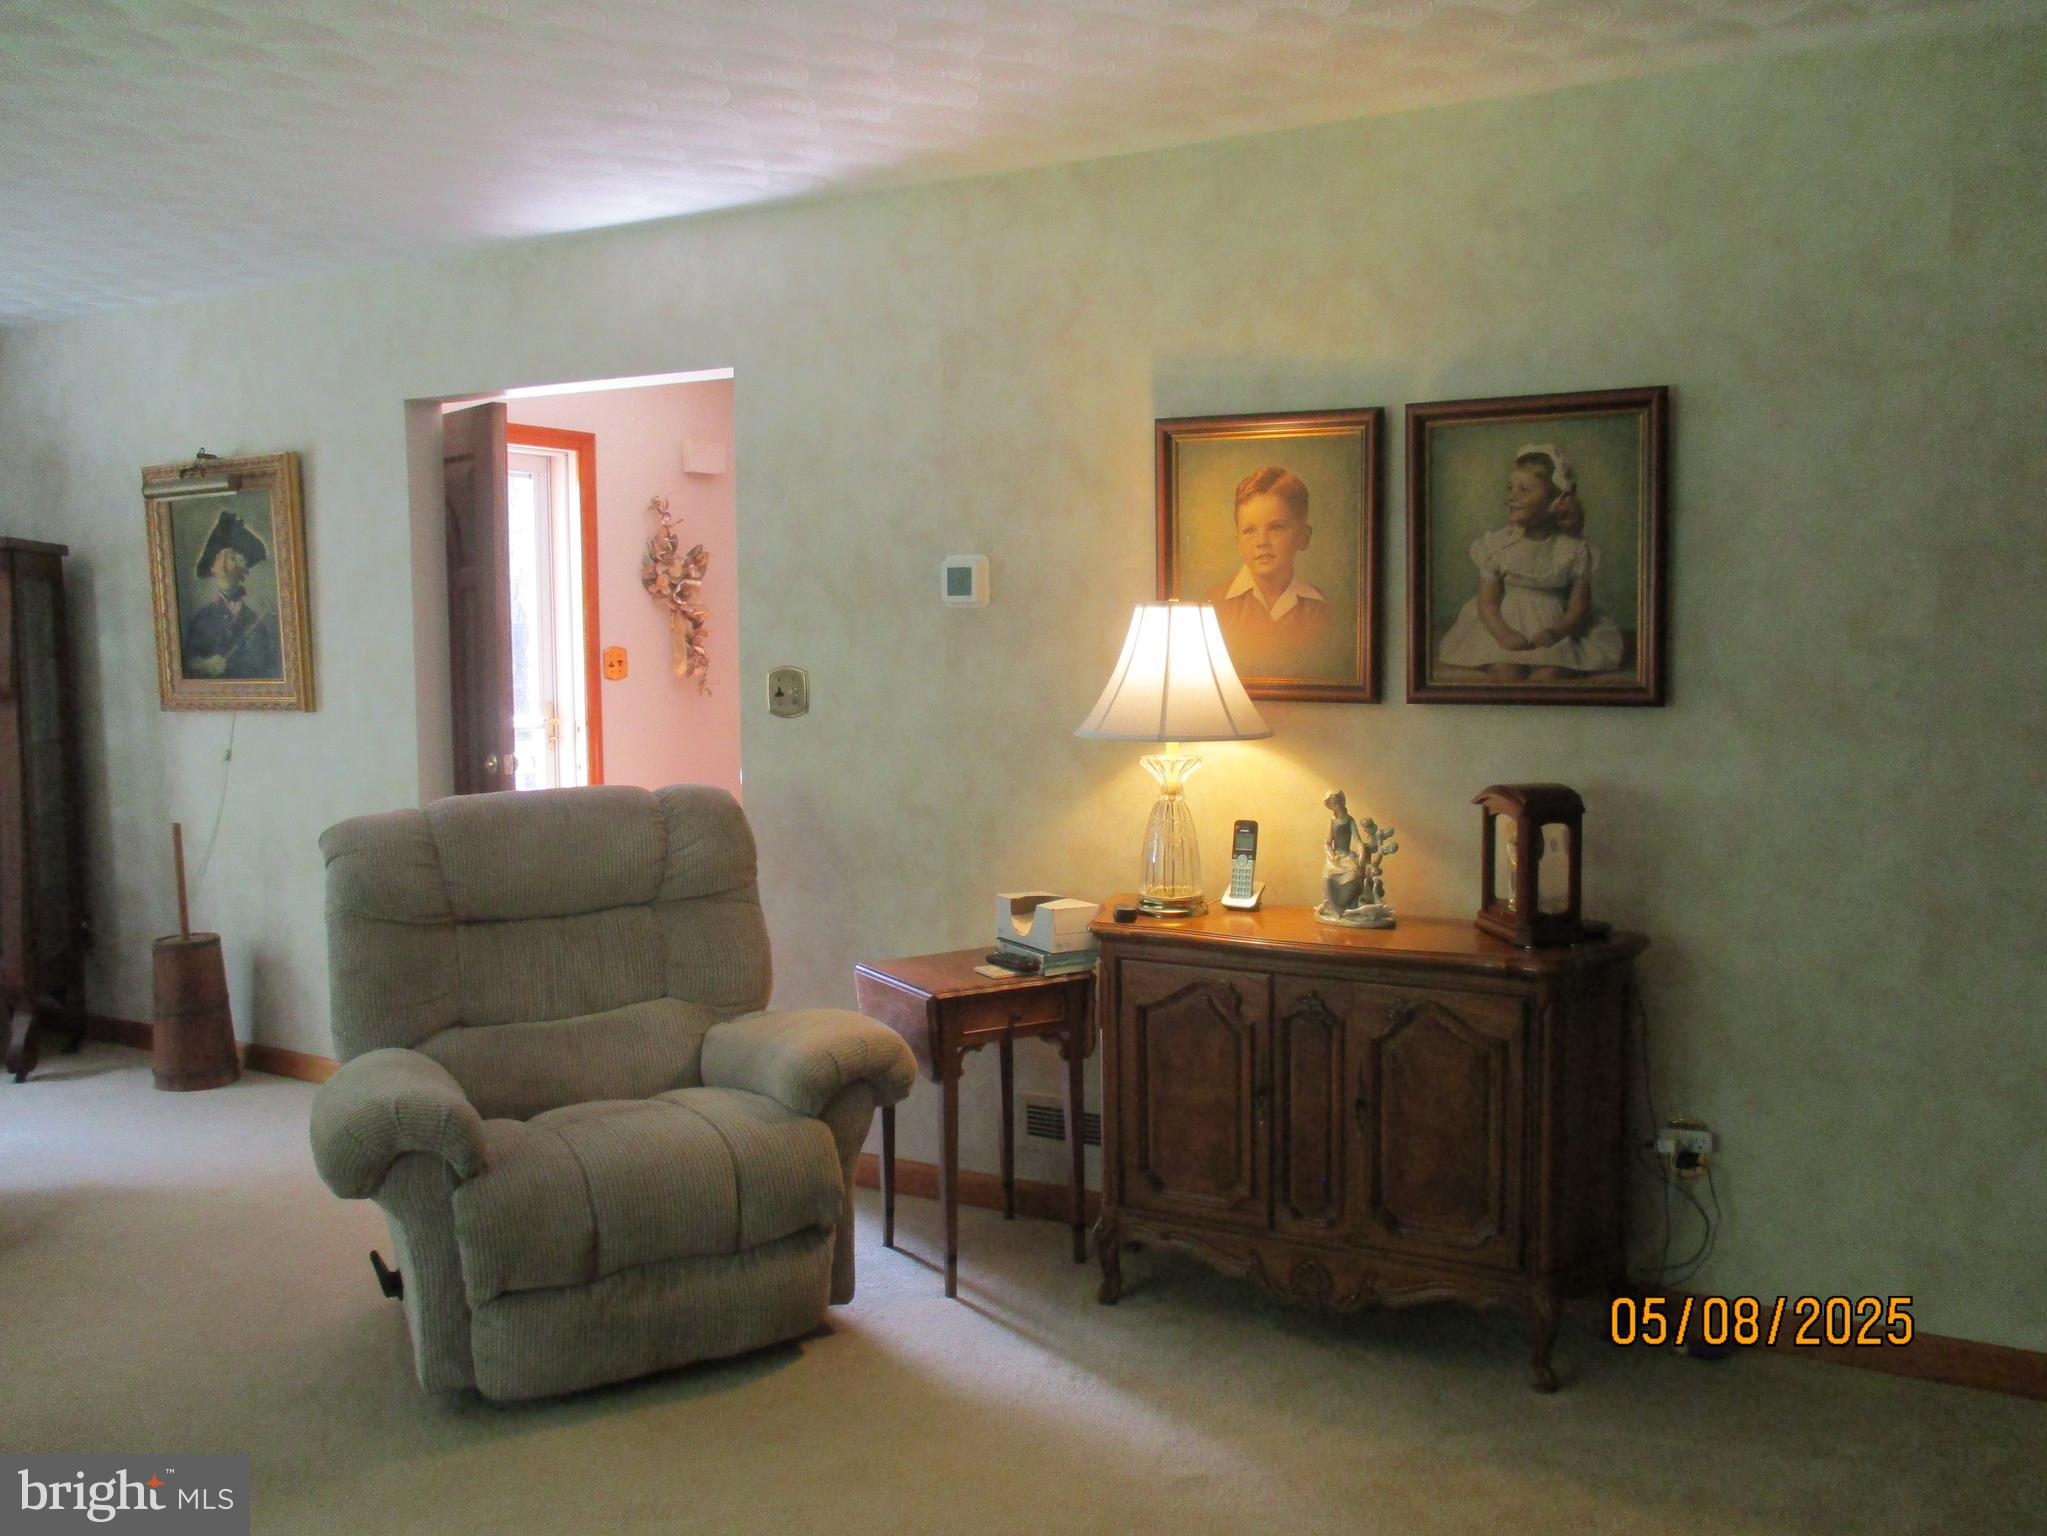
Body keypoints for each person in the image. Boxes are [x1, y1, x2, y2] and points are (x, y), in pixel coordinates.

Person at [1435, 444, 1623, 680]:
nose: (1512, 496)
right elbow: (1487, 602)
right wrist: (1503, 634)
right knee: (1506, 671)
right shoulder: (1497, 546)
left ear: (1555, 499)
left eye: (1524, 490)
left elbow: (1578, 606)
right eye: (1511, 488)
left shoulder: (1573, 549)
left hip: (1554, 629)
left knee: (1550, 673)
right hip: (1504, 626)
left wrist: (1559, 631)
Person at [1204, 466, 1329, 677]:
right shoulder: (1214, 604)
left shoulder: (1322, 609)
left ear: (1304, 536)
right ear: (1238, 541)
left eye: (1276, 527)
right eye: (1249, 530)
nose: (1262, 542)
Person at [182, 510, 281, 679]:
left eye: (238, 558)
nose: (231, 561)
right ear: (213, 567)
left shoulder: (258, 620)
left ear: (245, 572)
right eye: (226, 556)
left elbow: (270, 669)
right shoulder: (201, 619)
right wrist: (205, 664)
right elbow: (184, 664)